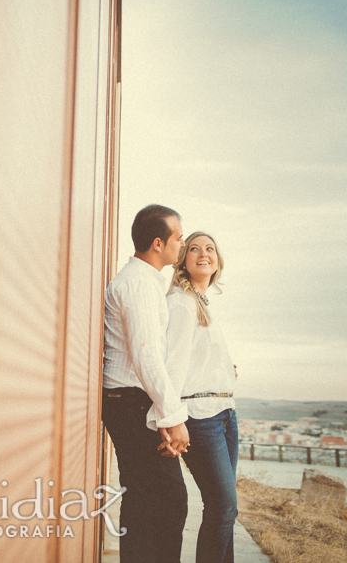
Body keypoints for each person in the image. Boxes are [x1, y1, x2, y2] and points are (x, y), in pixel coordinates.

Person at [102, 204, 190, 563]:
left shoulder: (144, 282)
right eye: (179, 239)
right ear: (158, 243)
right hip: (131, 403)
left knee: (144, 503)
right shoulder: (138, 284)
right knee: (169, 504)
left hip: (133, 402)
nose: (181, 246)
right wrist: (173, 417)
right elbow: (146, 357)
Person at [164, 232, 238, 563]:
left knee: (226, 510)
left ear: (218, 261)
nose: (203, 253)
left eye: (210, 248)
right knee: (223, 507)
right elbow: (172, 366)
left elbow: (197, 358)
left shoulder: (204, 300)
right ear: (183, 260)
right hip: (200, 416)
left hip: (224, 411)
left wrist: (222, 369)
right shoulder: (181, 302)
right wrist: (172, 419)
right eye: (193, 248)